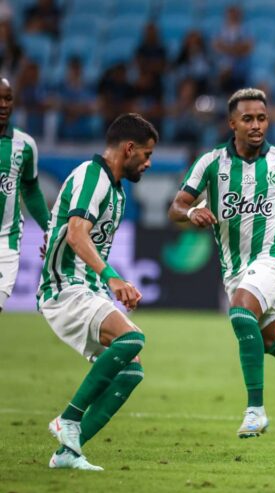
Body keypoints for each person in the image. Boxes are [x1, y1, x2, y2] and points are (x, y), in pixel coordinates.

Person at [167, 88, 275, 439]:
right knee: (270, 342)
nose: (257, 125)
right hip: (235, 268)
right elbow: (176, 206)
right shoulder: (211, 163)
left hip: (273, 258)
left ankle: (255, 411)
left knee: (241, 312)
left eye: (262, 118)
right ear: (232, 124)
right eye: (248, 119)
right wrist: (193, 210)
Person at [38, 113, 159, 471]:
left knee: (131, 370)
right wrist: (114, 277)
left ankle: (68, 454)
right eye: (147, 154)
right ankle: (68, 419)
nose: (149, 163)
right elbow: (77, 233)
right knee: (132, 340)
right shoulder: (94, 177)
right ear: (129, 148)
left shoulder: (117, 189)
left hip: (84, 288)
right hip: (65, 289)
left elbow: (64, 228)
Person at [0, 78, 48, 313]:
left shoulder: (25, 145)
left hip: (6, 241)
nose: (3, 104)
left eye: (8, 98)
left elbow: (30, 190)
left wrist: (50, 228)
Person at [213, 5, 253, 94]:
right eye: (231, 15)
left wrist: (227, 49)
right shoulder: (220, 30)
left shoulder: (246, 30)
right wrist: (235, 49)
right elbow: (215, 46)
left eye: (235, 15)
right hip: (222, 66)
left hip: (240, 68)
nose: (232, 17)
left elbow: (247, 47)